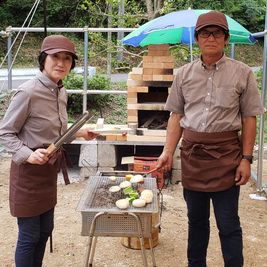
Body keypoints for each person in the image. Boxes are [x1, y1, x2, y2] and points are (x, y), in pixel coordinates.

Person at [157, 11, 264, 267]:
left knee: (228, 223)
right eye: (205, 33)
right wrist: (167, 152)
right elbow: (176, 115)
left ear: (226, 39)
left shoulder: (243, 73)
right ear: (197, 38)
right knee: (196, 222)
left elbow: (250, 118)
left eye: (217, 33)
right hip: (193, 156)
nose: (211, 38)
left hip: (227, 157)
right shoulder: (183, 74)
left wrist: (246, 159)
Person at [0, 34, 98, 267]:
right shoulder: (28, 92)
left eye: (67, 59)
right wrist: (28, 154)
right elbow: (5, 133)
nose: (61, 63)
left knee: (46, 230)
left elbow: (56, 137)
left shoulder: (60, 91)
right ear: (43, 59)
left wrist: (80, 133)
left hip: (48, 171)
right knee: (29, 235)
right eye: (55, 57)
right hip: (27, 175)